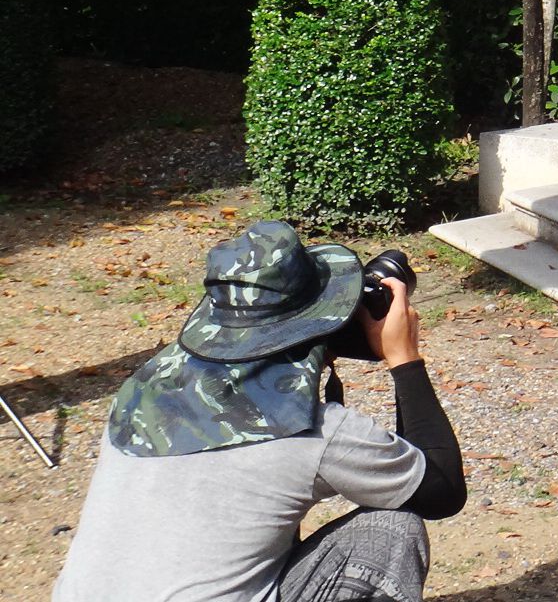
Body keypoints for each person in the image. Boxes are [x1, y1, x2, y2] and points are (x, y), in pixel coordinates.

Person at [54, 223, 465, 602]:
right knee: (392, 530)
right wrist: (403, 358)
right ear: (322, 322)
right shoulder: (309, 430)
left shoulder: (142, 389)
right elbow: (441, 491)